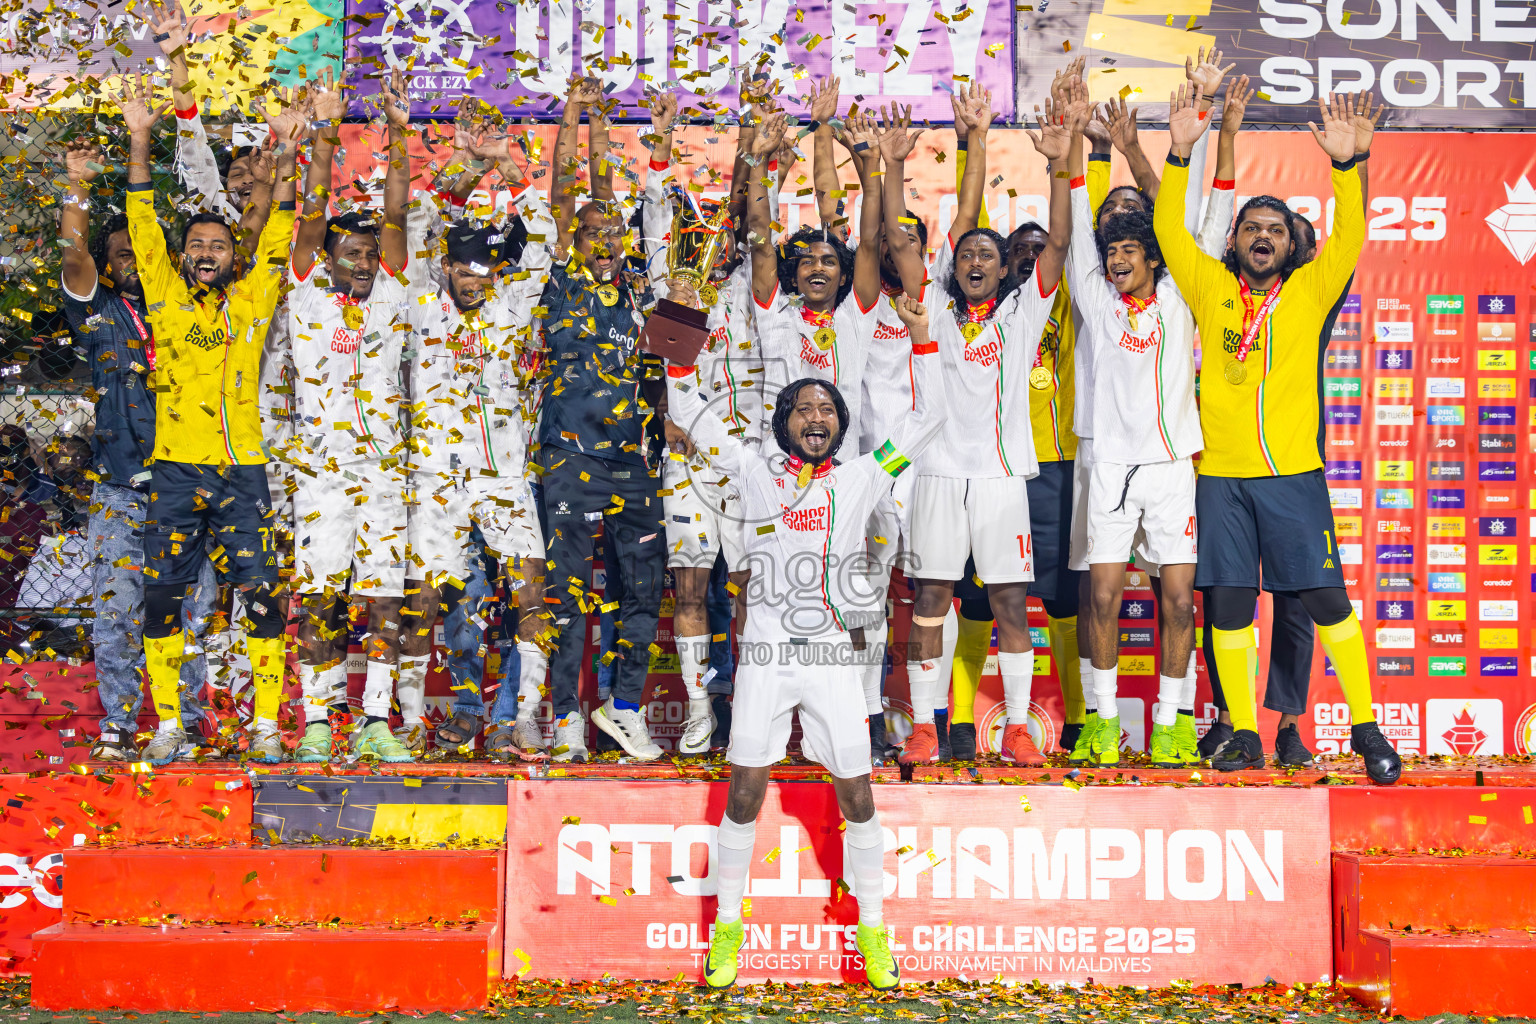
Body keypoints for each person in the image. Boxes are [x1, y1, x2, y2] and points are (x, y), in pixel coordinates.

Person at [670, 291, 942, 991]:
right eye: (802, 409)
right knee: (743, 795)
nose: (815, 418)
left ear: (840, 424)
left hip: (831, 660)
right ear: (784, 422)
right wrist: (677, 344)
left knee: (858, 796)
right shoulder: (754, 470)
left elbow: (927, 421)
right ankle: (727, 930)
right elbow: (689, 413)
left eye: (826, 410)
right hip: (766, 658)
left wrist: (923, 340)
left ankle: (873, 930)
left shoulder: (862, 476)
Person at [1153, 89, 1399, 784]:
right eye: (1251, 227)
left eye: (1276, 229)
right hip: (1220, 480)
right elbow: (1169, 231)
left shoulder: (1311, 292)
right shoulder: (1208, 286)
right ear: (1233, 241)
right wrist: (1179, 153)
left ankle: (1366, 728)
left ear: (1291, 247)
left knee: (1326, 603)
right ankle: (1244, 734)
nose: (1263, 235)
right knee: (1230, 607)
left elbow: (1350, 235)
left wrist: (1346, 167)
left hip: (1292, 476)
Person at [121, 72, 302, 764]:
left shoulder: (255, 300)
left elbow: (280, 227)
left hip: (243, 472)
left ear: (233, 257)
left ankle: (266, 726)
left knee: (261, 599)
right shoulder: (164, 297)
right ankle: (170, 723)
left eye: (218, 246)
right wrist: (140, 137)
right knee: (163, 599)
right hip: (175, 472)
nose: (205, 253)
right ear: (183, 255)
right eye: (196, 245)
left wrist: (288, 150)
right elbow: (143, 226)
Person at [895, 83, 1071, 767]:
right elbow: (950, 221)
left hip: (1001, 480)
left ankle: (1019, 728)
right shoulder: (935, 309)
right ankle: (925, 727)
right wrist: (973, 140)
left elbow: (1059, 242)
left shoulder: (1023, 315)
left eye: (987, 257)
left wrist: (1061, 164)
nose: (974, 262)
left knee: (1010, 604)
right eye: (965, 254)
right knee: (932, 599)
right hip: (939, 474)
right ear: (954, 266)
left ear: (1005, 271)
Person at [1062, 70, 1229, 768]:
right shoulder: (1094, 296)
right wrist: (1079, 144)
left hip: (1168, 467)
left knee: (1180, 602)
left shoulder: (1179, 296)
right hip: (1107, 465)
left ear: (1154, 258)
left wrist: (1187, 138)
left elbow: (1199, 224)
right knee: (1101, 596)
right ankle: (1103, 723)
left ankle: (1170, 723)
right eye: (1111, 252)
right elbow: (1079, 223)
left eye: (1130, 250)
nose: (1117, 258)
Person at [396, 120, 556, 761]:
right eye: (462, 267)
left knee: (529, 593)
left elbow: (542, 241)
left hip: (506, 478)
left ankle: (522, 717)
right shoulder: (419, 304)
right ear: (445, 267)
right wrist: (463, 167)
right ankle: (434, 718)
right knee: (438, 602)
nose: (473, 277)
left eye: (485, 267)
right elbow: (417, 225)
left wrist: (507, 165)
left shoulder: (513, 305)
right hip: (436, 478)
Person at [56, 137, 221, 760]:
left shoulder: (194, 309)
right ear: (106, 265)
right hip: (121, 488)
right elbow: (72, 253)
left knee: (192, 613)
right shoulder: (100, 311)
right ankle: (120, 726)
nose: (131, 260)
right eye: (119, 254)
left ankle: (189, 725)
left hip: (188, 486)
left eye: (139, 251)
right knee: (117, 612)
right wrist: (77, 182)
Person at [281, 68, 413, 763]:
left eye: (369, 254)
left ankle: (376, 719)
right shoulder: (306, 298)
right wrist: (326, 131)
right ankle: (317, 719)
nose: (364, 261)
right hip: (322, 473)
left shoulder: (390, 297)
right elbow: (310, 215)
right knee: (321, 596)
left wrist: (399, 131)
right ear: (325, 261)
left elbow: (396, 216)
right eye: (351, 253)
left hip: (385, 470)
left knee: (384, 597)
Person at [533, 77, 667, 761]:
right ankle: (564, 717)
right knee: (567, 596)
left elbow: (667, 368)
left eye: (614, 233)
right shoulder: (560, 281)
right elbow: (571, 194)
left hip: (630, 465)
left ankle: (623, 708)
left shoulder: (640, 294)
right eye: (593, 233)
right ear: (575, 240)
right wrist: (578, 115)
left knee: (642, 591)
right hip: (568, 460)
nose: (606, 241)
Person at [643, 89, 757, 755]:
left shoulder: (754, 285)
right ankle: (697, 710)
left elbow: (746, 209)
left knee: (748, 591)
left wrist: (752, 142)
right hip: (686, 463)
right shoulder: (670, 283)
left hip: (745, 463)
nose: (713, 243)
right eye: (699, 234)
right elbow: (658, 207)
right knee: (688, 589)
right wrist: (661, 141)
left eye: (722, 236)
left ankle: (751, 705)